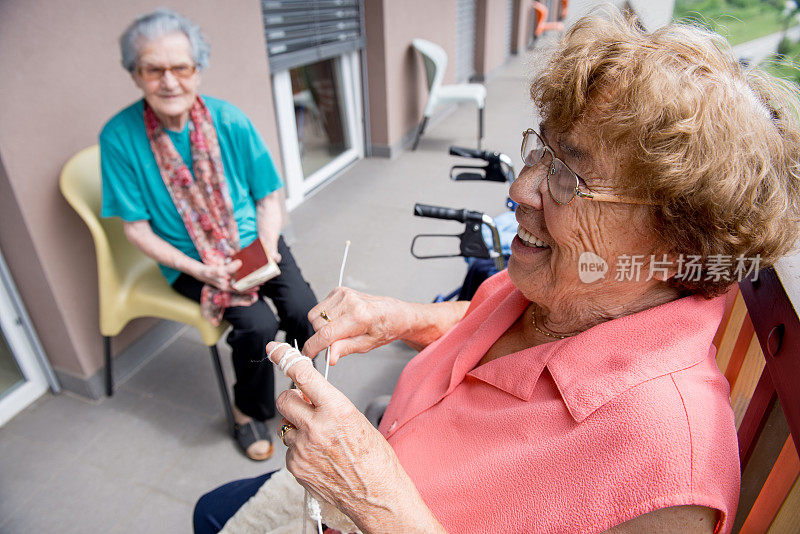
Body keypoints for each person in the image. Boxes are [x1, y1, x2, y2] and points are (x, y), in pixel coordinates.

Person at [194, 10, 800, 533]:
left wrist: (376, 501)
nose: (521, 188)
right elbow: (486, 320)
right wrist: (400, 317)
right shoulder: (579, 283)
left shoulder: (669, 465)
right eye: (543, 149)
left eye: (569, 177)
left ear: (676, 243)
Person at [99, 9, 317, 461]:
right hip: (189, 260)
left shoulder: (229, 119)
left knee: (302, 309)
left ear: (197, 70)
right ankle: (248, 411)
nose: (170, 81)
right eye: (153, 69)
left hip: (255, 242)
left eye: (182, 67)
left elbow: (267, 198)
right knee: (256, 325)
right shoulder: (118, 138)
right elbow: (136, 230)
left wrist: (269, 250)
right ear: (135, 75)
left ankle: (311, 389)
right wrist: (201, 269)